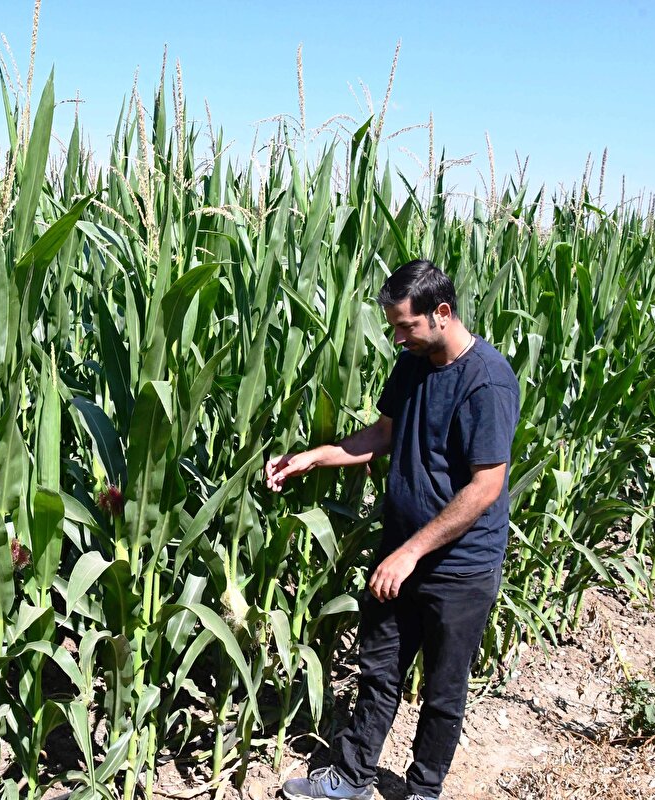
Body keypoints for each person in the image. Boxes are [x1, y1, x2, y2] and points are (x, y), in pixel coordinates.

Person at [265, 260, 520, 800]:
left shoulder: (487, 381)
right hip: (400, 553)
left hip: (460, 565)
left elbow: (484, 489)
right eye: (394, 326)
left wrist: (411, 552)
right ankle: (353, 777)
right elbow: (381, 435)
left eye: (405, 325)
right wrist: (312, 458)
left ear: (442, 313)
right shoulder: (413, 364)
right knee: (378, 669)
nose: (397, 337)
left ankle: (424, 790)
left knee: (444, 690)